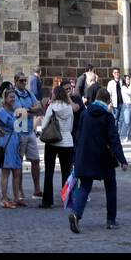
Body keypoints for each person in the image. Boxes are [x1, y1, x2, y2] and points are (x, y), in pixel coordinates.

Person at [68, 87, 128, 234]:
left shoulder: (84, 114)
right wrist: (122, 159)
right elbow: (114, 140)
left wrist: (76, 157)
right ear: (107, 101)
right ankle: (111, 220)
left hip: (84, 156)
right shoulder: (107, 116)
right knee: (111, 187)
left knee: (85, 187)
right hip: (103, 157)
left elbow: (78, 135)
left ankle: (76, 214)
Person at [39, 80, 75, 208]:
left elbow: (43, 126)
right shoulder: (69, 108)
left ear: (55, 94)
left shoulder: (52, 107)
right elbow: (70, 126)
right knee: (66, 172)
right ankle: (67, 199)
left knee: (49, 172)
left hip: (53, 141)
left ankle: (47, 201)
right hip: (67, 142)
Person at [0, 86, 25, 208]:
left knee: (17, 171)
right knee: (6, 172)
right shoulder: (2, 111)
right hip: (7, 143)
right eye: (10, 97)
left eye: (14, 97)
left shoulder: (13, 110)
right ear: (5, 98)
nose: (13, 99)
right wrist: (1, 130)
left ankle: (16, 198)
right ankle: (4, 199)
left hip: (14, 142)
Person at [11, 71, 43, 197]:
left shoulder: (29, 93)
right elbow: (19, 112)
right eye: (21, 81)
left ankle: (37, 189)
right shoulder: (13, 94)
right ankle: (19, 191)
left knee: (35, 160)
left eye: (25, 80)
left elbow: (40, 108)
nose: (24, 83)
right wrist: (32, 110)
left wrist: (28, 110)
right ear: (15, 81)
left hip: (30, 131)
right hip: (19, 132)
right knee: (18, 162)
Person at [120, 74, 131, 140]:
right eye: (127, 79)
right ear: (124, 80)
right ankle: (123, 136)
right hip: (126, 106)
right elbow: (129, 92)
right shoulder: (123, 87)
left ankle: (130, 136)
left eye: (129, 79)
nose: (129, 80)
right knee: (126, 122)